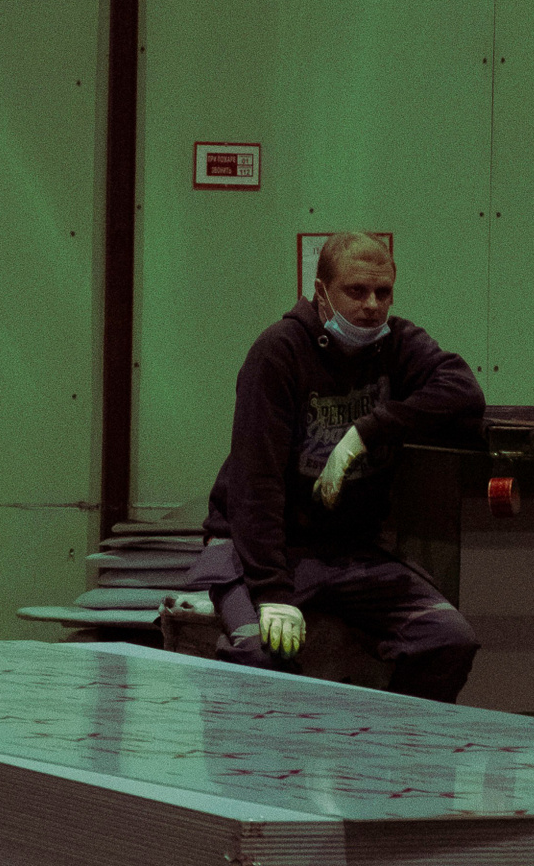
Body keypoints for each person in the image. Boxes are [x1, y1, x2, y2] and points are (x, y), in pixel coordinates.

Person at [186, 231, 484, 701]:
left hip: (349, 552)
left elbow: (463, 392)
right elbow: (255, 486)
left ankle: (388, 745)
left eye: (383, 292)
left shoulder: (398, 344)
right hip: (262, 548)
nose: (372, 305)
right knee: (260, 657)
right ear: (321, 291)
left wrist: (367, 431)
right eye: (356, 291)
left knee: (448, 640)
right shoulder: (279, 351)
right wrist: (273, 593)